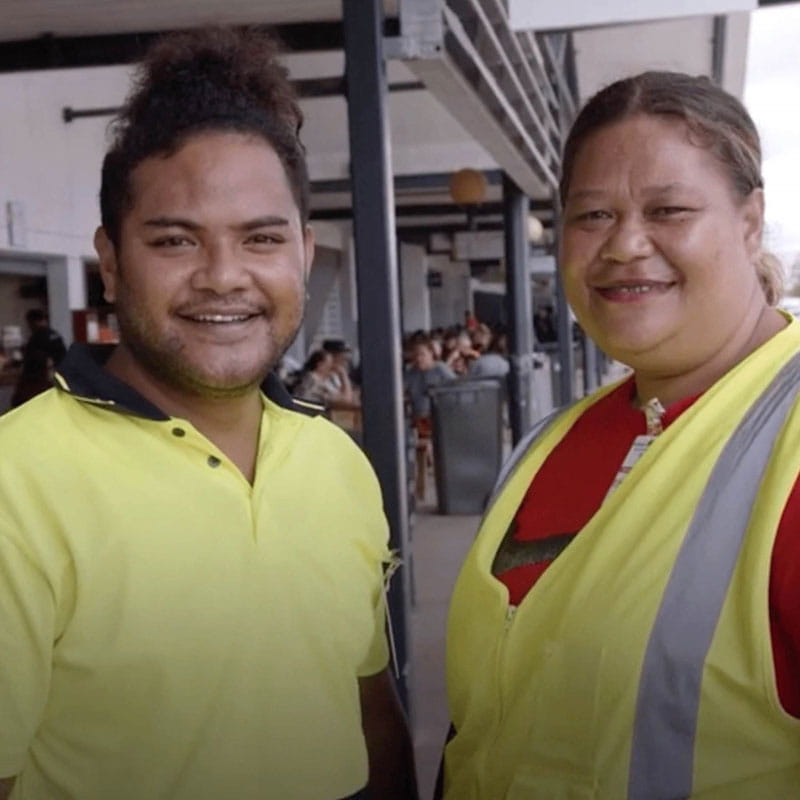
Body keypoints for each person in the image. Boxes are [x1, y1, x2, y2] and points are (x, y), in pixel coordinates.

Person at [0, 28, 416, 800]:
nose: (224, 277)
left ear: (302, 251)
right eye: (175, 240)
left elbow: (367, 707)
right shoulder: (16, 481)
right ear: (113, 261)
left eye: (260, 238)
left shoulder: (336, 462)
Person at [443, 71, 800, 798]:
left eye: (668, 209)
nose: (626, 245)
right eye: (593, 216)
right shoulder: (545, 445)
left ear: (749, 219)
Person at [404, 338, 456, 437]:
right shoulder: (411, 373)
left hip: (439, 419)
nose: (418, 359)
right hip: (418, 420)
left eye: (422, 354)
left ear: (431, 353)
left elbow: (456, 386)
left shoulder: (440, 369)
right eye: (415, 355)